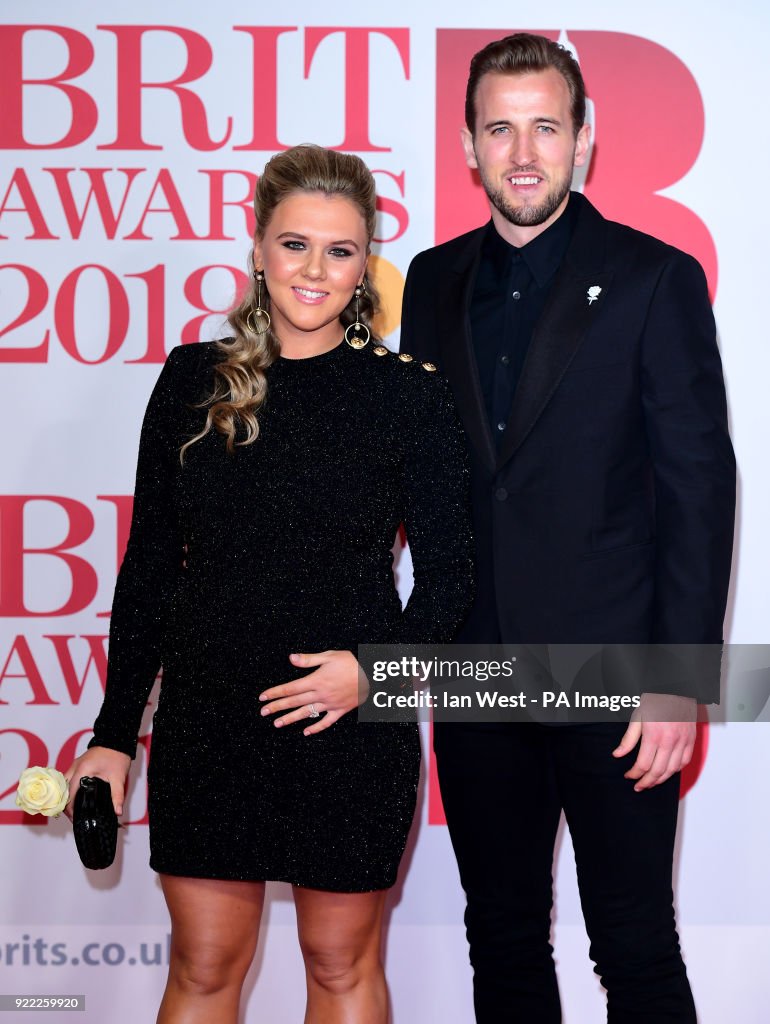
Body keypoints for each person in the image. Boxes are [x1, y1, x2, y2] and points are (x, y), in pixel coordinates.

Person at [65, 144, 474, 1024]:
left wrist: (375, 672)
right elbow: (147, 569)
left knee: (339, 964)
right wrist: (113, 736)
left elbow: (449, 578)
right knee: (205, 964)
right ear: (257, 249)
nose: (315, 271)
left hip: (350, 720)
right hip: (210, 714)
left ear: (367, 263)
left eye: (339, 250)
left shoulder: (412, 399)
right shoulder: (191, 381)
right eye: (294, 245)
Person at [400, 33, 735, 1023]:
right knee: (500, 937)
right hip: (471, 671)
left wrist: (678, 675)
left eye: (544, 127)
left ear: (582, 141)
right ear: (466, 145)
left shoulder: (649, 277)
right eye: (499, 128)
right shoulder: (428, 280)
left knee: (631, 940)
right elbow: (421, 473)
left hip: (612, 674)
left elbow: (695, 484)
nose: (521, 152)